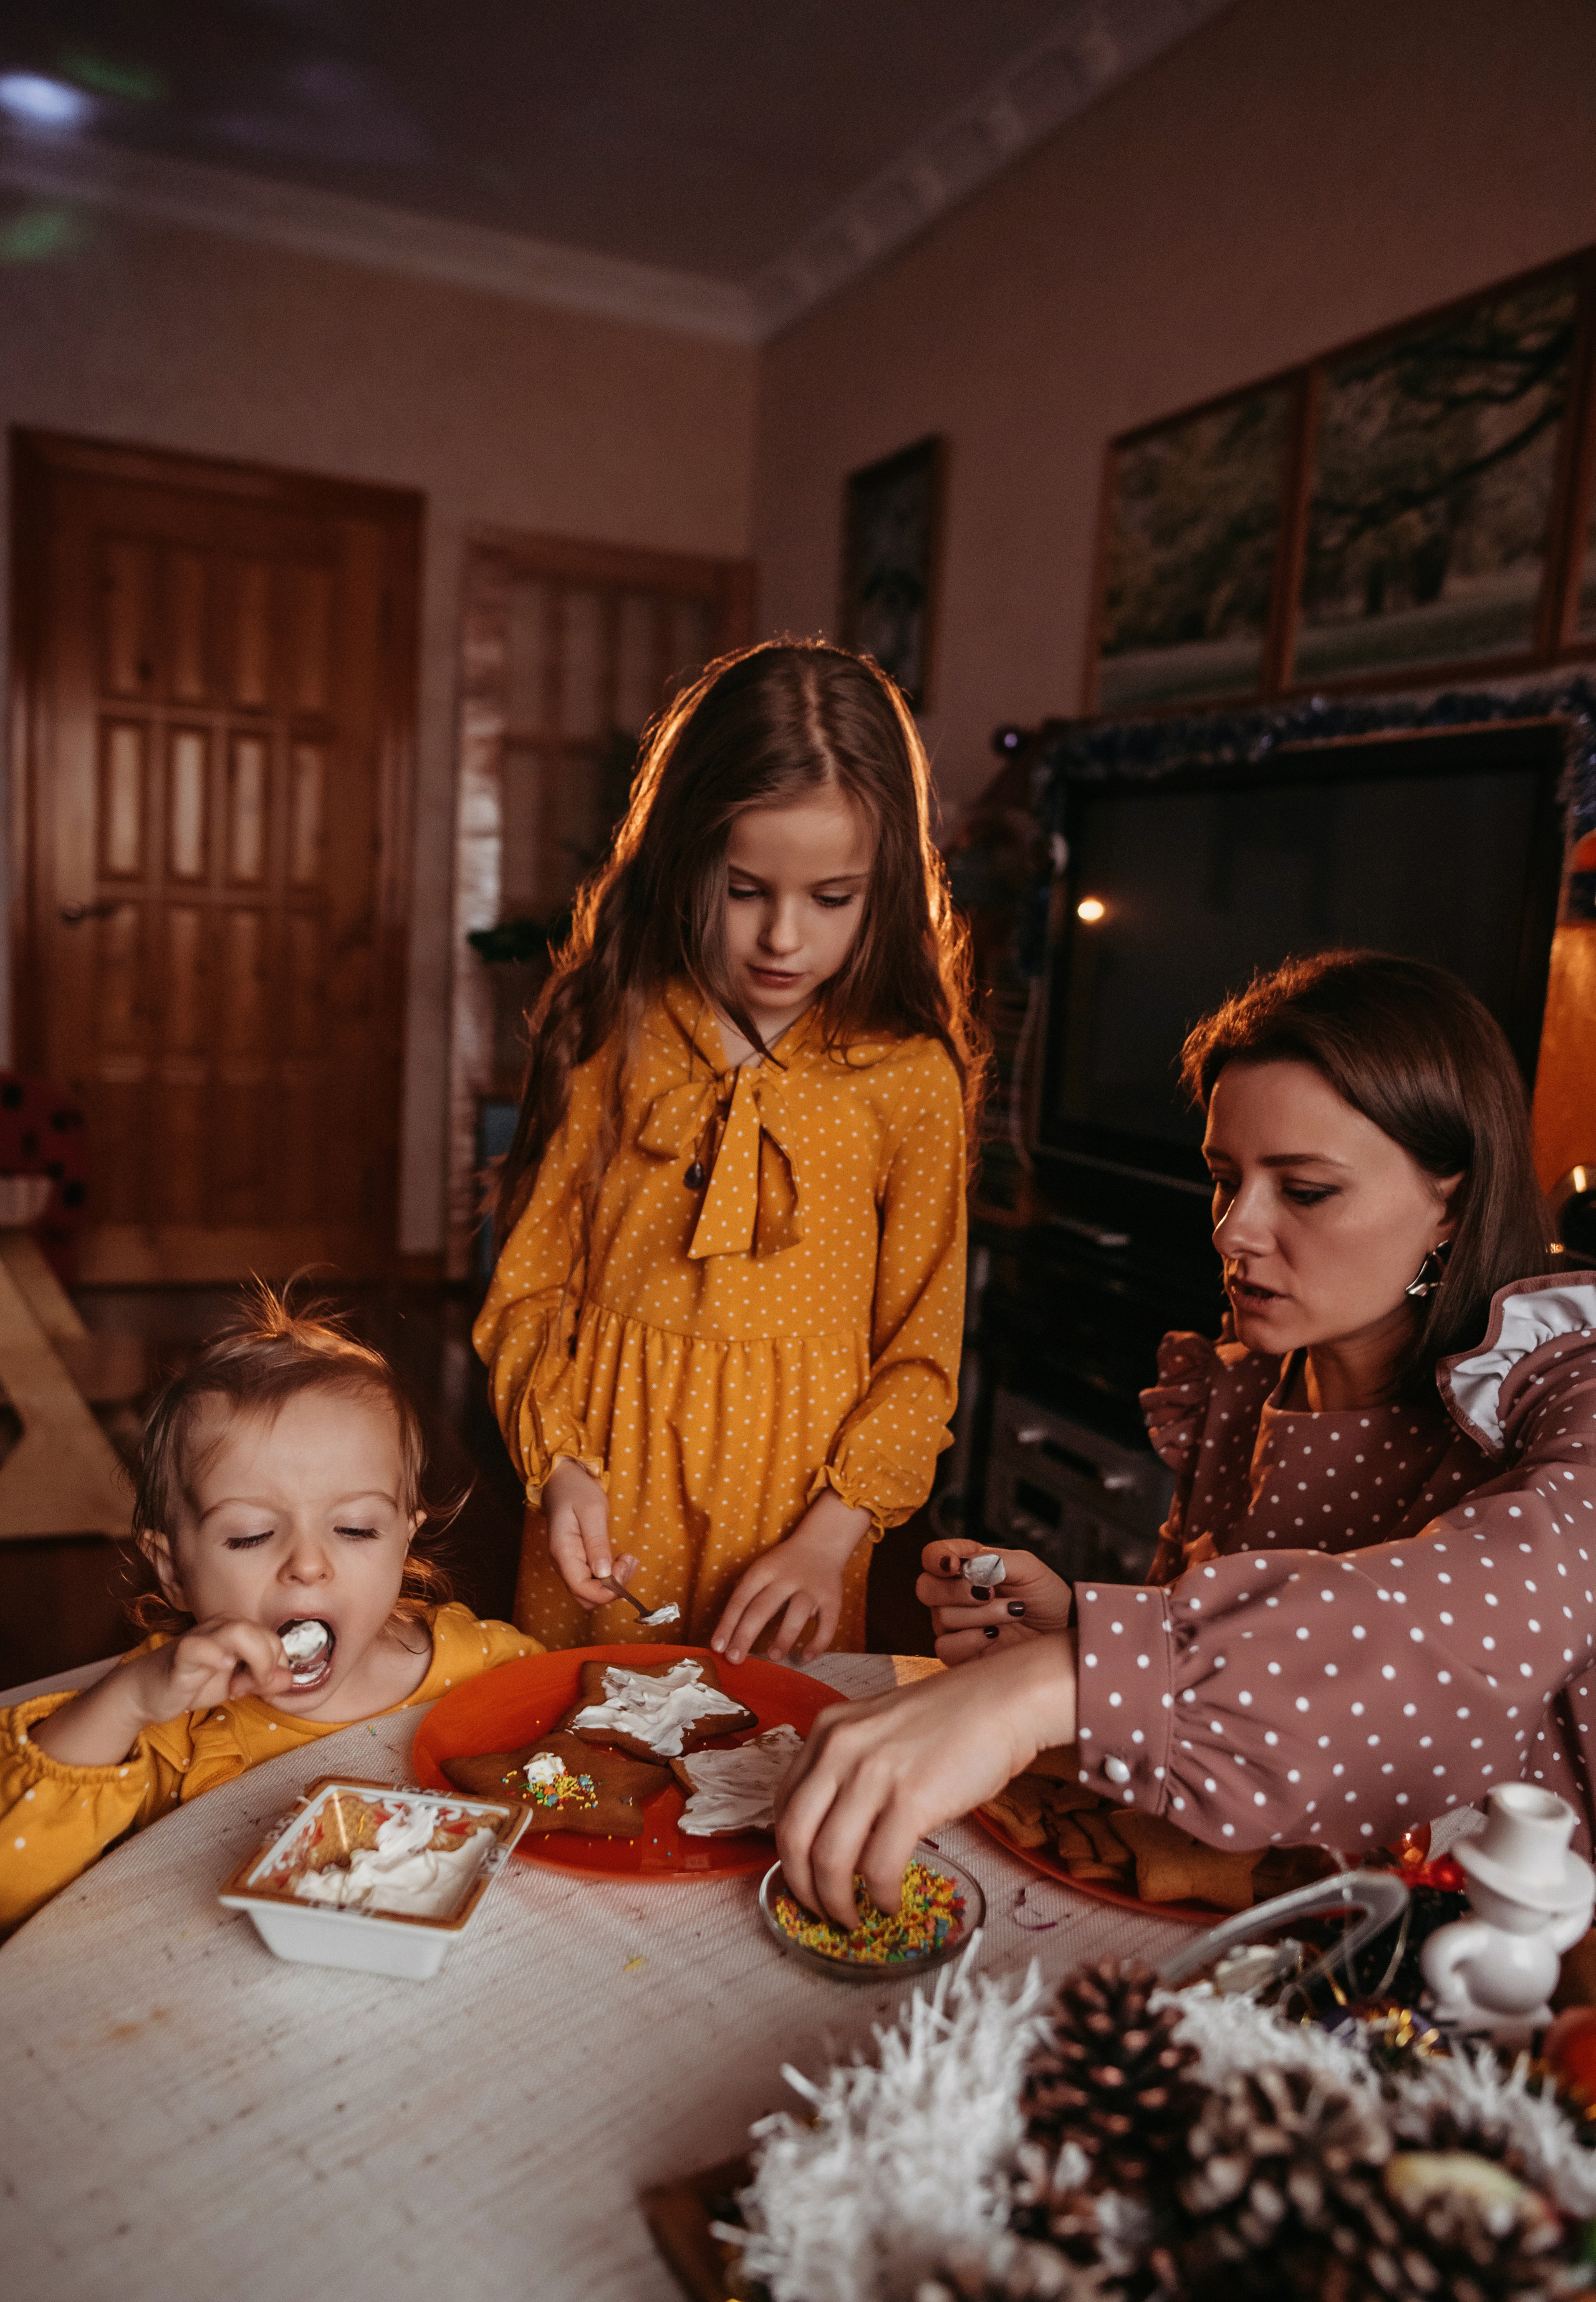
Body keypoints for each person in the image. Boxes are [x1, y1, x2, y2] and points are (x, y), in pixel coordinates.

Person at [775, 949, 1596, 1923]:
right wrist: (1082, 1632)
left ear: (1450, 1199)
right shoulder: (1244, 1389)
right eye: (1224, 1177)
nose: (1234, 1229)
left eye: (1305, 1189)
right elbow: (1223, 1685)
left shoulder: (1562, 1378)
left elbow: (1495, 1605)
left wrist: (1060, 1684)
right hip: (1253, 1915)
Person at [475, 639, 983, 1660]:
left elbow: (921, 1354)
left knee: (763, 1780)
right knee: (570, 1773)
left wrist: (833, 1535)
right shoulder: (612, 1028)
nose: (783, 938)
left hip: (798, 1518)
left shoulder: (911, 1077)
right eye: (747, 888)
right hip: (606, 1493)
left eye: (831, 898)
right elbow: (528, 1283)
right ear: (683, 852)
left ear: (884, 884)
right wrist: (560, 1461)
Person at [0, 1287, 544, 1935]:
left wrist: (544, 1793)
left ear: (405, 1538)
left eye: (356, 1530)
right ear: (174, 1570)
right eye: (252, 1535)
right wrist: (127, 1703)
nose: (308, 1565)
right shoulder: (176, 1721)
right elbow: (11, 1879)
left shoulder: (485, 1668)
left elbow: (566, 1785)